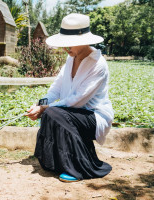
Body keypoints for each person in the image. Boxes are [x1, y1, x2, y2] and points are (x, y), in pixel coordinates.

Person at [25, 13, 114, 182]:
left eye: (69, 43)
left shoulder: (98, 64)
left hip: (94, 117)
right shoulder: (70, 58)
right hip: (71, 114)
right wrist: (39, 104)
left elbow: (76, 100)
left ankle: (77, 169)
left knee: (53, 113)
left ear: (84, 39)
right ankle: (58, 163)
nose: (66, 48)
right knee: (53, 112)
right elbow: (55, 89)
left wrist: (45, 109)